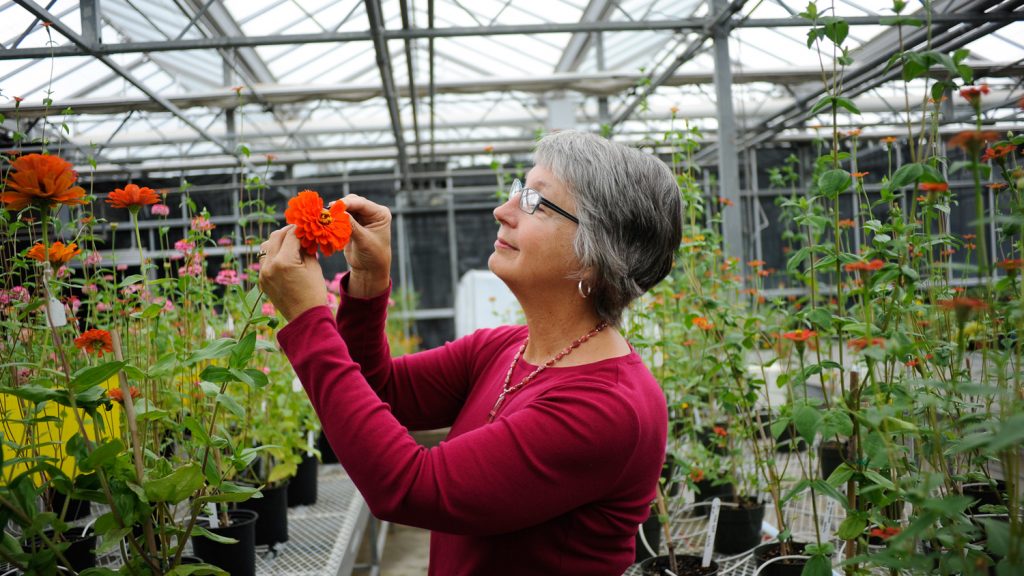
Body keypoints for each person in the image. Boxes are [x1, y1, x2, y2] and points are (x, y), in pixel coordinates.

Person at [258, 130, 682, 575]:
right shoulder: (508, 348)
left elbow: (408, 487)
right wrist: (368, 281)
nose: (503, 210)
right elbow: (379, 389)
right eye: (519, 190)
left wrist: (309, 319)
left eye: (536, 201)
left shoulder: (608, 408)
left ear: (597, 252)